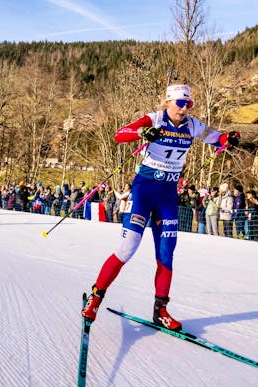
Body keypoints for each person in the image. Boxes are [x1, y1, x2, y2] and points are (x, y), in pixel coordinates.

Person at [81, 83, 239, 331]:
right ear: (168, 102)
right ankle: (96, 297)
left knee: (166, 254)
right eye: (180, 103)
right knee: (127, 249)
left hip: (167, 195)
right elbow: (119, 134)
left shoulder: (192, 125)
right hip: (144, 190)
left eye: (188, 104)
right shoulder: (153, 119)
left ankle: (161, 311)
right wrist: (142, 134)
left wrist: (227, 138)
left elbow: (216, 137)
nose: (184, 108)